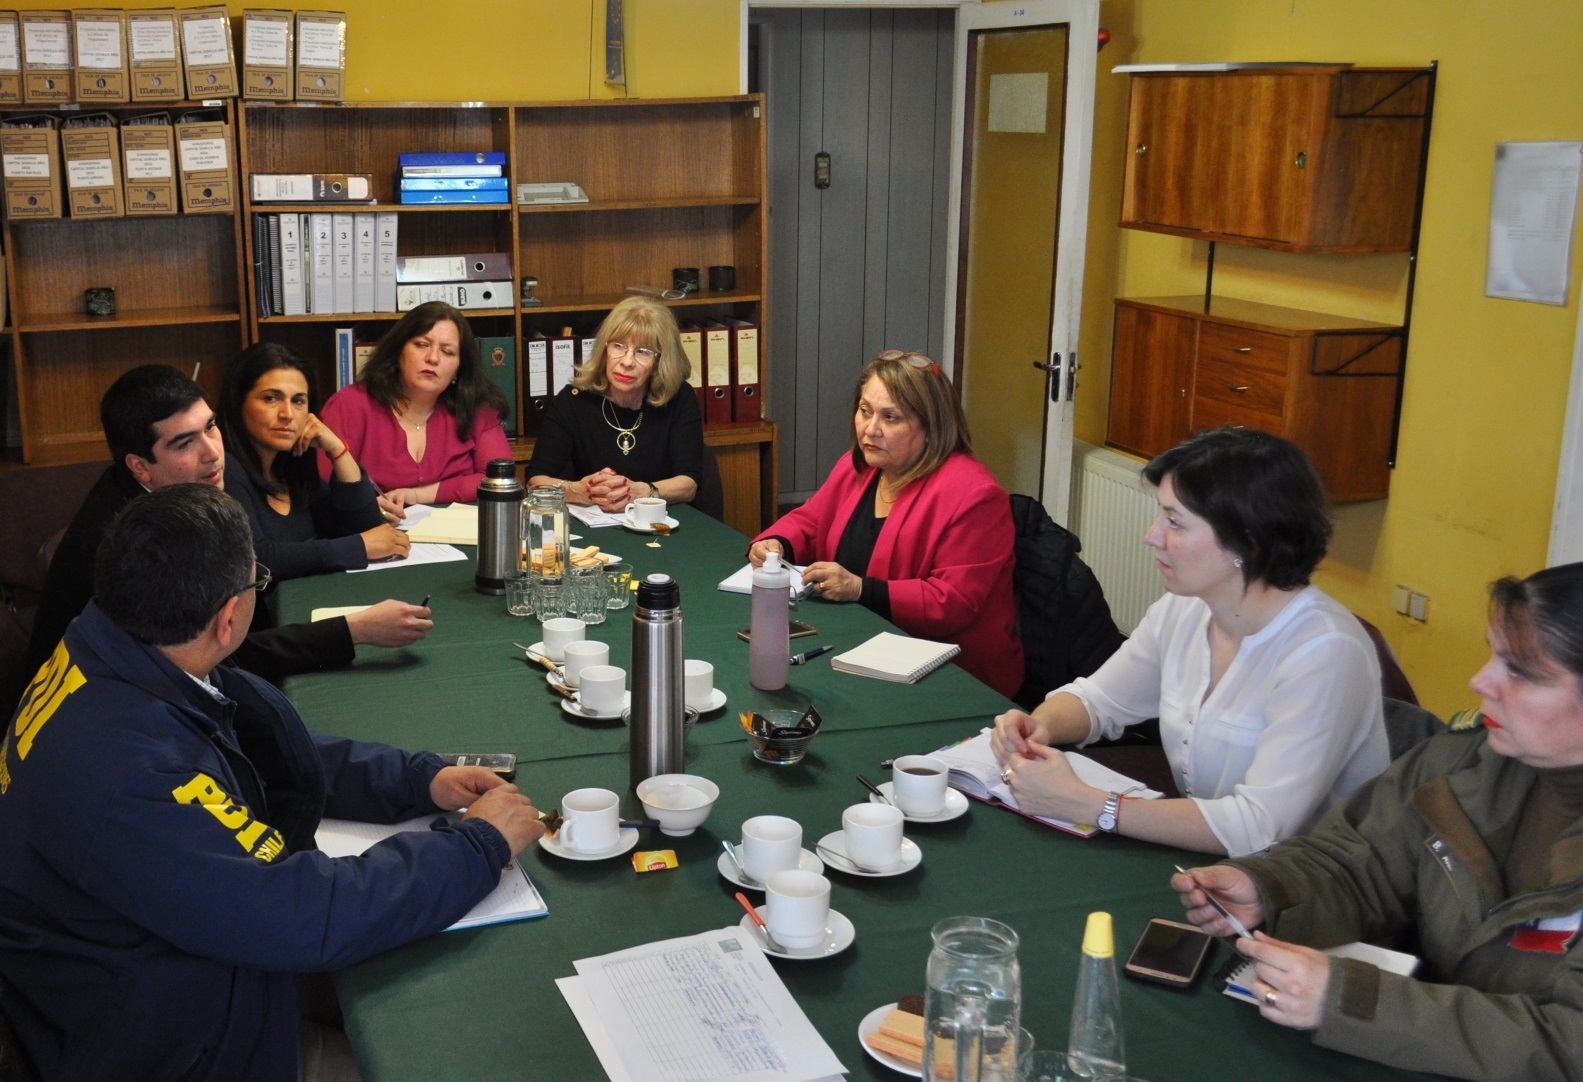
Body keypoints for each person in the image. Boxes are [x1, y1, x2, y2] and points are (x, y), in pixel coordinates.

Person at [0, 484, 546, 1080]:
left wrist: (418, 779)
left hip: (150, 975)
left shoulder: (118, 645)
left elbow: (249, 748)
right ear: (229, 616)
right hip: (169, 1043)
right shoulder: (130, 765)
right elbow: (301, 915)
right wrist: (476, 846)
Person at [1174, 563, 1583, 1082]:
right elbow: (1357, 860)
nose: (1480, 681)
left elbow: (1568, 1046)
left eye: (1520, 671)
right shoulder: (1461, 767)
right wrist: (1270, 888)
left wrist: (1353, 1001)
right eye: (1493, 654)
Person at [992, 426, 1387, 857]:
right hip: (1208, 861)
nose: (1152, 535)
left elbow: (1257, 827)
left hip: (1305, 890)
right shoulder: (1188, 609)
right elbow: (1099, 701)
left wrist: (1092, 804)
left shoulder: (1325, 652)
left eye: (1174, 522)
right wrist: (1038, 727)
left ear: (1249, 542)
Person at [27, 365, 430, 683]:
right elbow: (225, 660)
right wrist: (354, 630)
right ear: (139, 467)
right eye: (184, 443)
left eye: (211, 426)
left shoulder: (194, 474)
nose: (212, 453)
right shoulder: (142, 542)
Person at [748, 349, 1022, 698]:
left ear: (930, 428)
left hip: (951, 678)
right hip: (865, 649)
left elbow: (951, 602)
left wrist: (861, 588)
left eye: (890, 418)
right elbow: (812, 520)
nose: (870, 430)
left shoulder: (975, 496)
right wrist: (777, 543)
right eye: (865, 411)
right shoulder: (858, 466)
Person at [219, 341, 409, 580]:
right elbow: (257, 559)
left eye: (298, 401)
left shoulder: (287, 469)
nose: (287, 414)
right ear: (239, 403)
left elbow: (368, 526)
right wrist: (358, 547)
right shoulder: (224, 469)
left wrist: (338, 450)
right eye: (270, 398)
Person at [319, 301, 512, 515]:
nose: (433, 358)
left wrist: (418, 495)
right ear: (398, 351)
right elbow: (321, 492)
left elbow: (500, 481)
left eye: (447, 352)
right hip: (372, 535)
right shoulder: (349, 406)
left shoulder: (477, 408)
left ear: (459, 367)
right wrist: (365, 509)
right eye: (421, 344)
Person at [525, 295, 704, 510]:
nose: (627, 362)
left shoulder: (679, 398)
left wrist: (641, 492)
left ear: (659, 362)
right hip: (594, 524)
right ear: (604, 349)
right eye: (619, 346)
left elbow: (688, 485)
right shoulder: (574, 400)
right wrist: (578, 491)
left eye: (642, 352)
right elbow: (535, 481)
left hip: (660, 522)